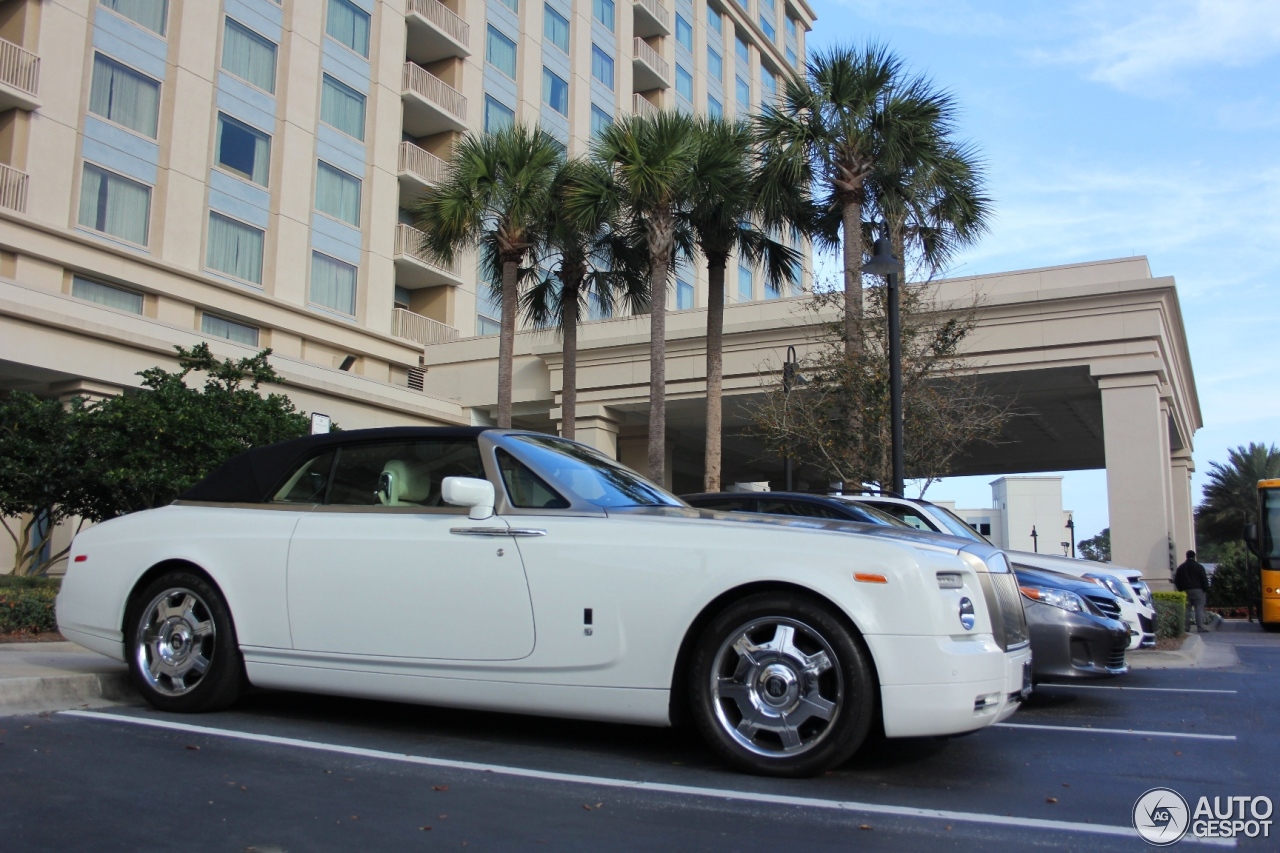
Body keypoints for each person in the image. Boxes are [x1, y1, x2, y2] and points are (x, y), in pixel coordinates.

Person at [1174, 550, 1209, 633]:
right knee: (1199, 609)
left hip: (1185, 590)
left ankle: (1186, 627)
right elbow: (1204, 579)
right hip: (1198, 590)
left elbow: (1176, 580)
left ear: (1186, 556)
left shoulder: (1181, 567)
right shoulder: (1199, 567)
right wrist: (1205, 590)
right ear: (1194, 556)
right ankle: (1200, 627)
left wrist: (1180, 590)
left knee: (1186, 609)